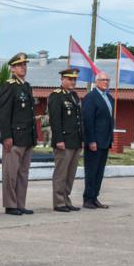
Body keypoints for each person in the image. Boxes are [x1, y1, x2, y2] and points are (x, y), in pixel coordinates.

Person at [0, 52, 36, 215]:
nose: (23, 68)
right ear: (12, 68)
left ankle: (20, 203)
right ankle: (10, 204)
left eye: (25, 65)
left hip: (27, 137)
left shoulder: (26, 86)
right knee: (10, 173)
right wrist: (6, 136)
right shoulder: (9, 86)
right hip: (14, 137)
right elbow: (4, 113)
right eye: (20, 65)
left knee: (23, 173)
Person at [48, 68, 83, 210]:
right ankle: (59, 202)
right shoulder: (56, 96)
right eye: (70, 79)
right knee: (61, 174)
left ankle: (66, 200)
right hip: (63, 141)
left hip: (75, 141)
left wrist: (81, 139)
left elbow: (79, 120)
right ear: (62, 79)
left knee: (70, 174)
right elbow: (55, 120)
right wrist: (58, 140)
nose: (72, 82)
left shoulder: (74, 96)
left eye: (74, 79)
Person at [82, 72, 114, 208]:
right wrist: (91, 140)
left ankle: (95, 197)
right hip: (94, 142)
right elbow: (88, 121)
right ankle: (88, 199)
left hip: (105, 141)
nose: (106, 82)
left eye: (107, 80)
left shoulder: (109, 98)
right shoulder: (91, 97)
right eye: (103, 80)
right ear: (96, 82)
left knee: (99, 172)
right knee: (91, 171)